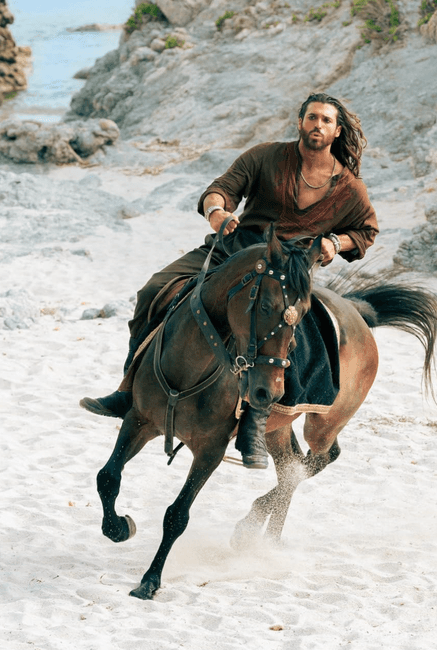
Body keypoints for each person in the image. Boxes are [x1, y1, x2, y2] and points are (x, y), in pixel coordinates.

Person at [80, 92, 379, 469]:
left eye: (325, 121)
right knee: (153, 290)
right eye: (312, 118)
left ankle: (257, 422)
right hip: (232, 255)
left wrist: (336, 242)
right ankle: (128, 390)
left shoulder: (349, 187)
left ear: (336, 131)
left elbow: (367, 231)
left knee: (289, 340)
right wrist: (218, 212)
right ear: (300, 122)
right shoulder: (267, 156)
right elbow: (220, 188)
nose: (317, 125)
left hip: (287, 276)